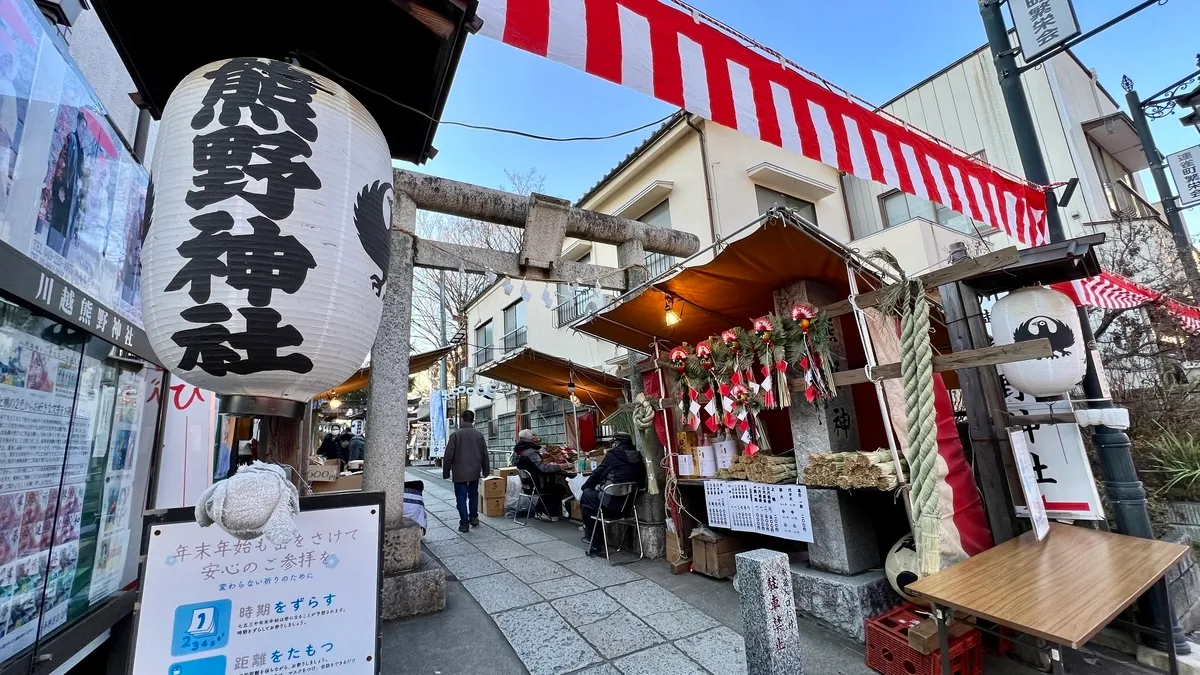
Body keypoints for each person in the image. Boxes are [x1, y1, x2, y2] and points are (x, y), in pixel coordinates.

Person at [581, 432, 646, 556]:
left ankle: (595, 543)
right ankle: (595, 539)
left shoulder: (613, 456)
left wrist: (586, 486)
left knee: (586, 498)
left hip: (610, 504)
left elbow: (598, 474)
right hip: (627, 506)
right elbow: (641, 483)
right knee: (591, 504)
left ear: (616, 443)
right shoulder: (638, 458)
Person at [442, 410, 489, 532]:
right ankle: (474, 517)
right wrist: (486, 470)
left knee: (461, 498)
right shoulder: (479, 435)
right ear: (473, 420)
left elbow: (448, 455)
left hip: (459, 471)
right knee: (473, 495)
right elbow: (484, 454)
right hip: (474, 470)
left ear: (462, 420)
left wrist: (446, 471)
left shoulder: (455, 435)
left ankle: (464, 523)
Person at [513, 429, 565, 521]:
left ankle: (539, 511)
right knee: (559, 489)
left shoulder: (518, 451)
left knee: (550, 487)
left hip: (527, 484)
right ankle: (547, 512)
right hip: (536, 484)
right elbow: (543, 469)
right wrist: (560, 467)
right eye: (533, 436)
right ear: (530, 439)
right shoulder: (531, 452)